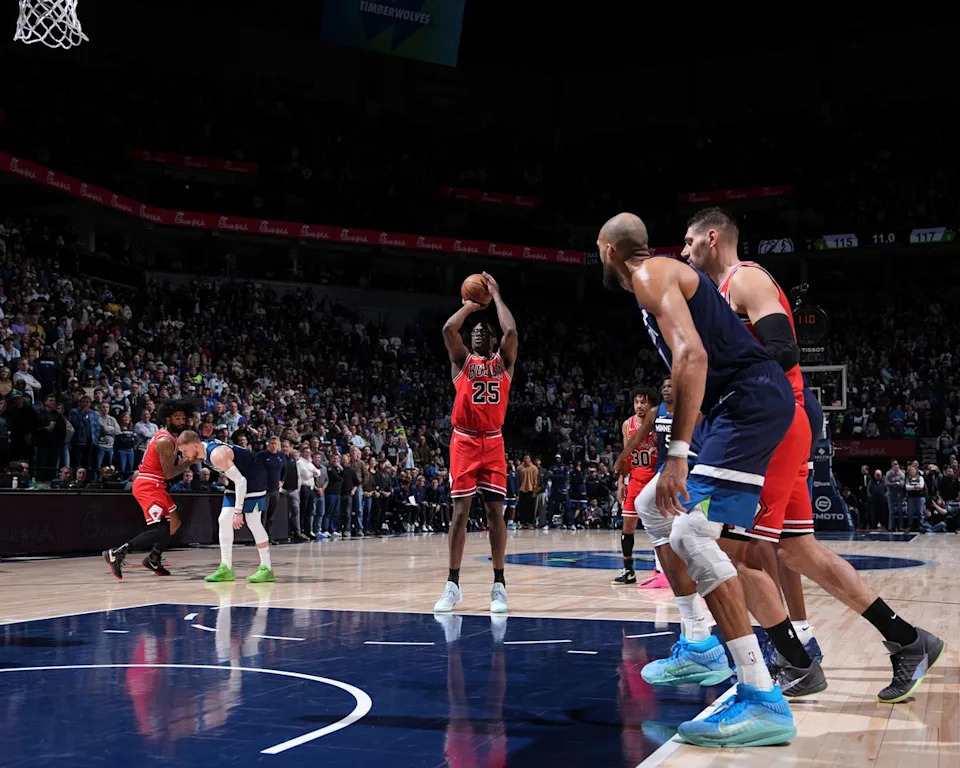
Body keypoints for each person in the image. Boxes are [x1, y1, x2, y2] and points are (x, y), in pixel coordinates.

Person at [687, 206, 943, 703]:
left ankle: (796, 662)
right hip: (780, 422)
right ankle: (909, 642)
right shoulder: (722, 295)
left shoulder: (745, 278)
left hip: (773, 424)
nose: (683, 251)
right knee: (797, 549)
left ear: (712, 238)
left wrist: (717, 373)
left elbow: (783, 347)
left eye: (688, 241)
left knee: (725, 549)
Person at [599, 212, 796, 747]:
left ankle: (761, 697)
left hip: (746, 399)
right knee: (653, 505)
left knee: (690, 534)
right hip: (734, 404)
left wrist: (680, 453)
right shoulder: (660, 277)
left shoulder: (648, 276)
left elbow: (693, 354)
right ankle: (699, 643)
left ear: (609, 250)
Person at [433, 271, 517, 615]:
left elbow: (511, 330)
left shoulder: (503, 363)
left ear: (494, 342)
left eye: (486, 330)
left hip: (493, 443)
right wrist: (469, 306)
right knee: (460, 514)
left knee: (496, 513)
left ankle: (499, 585)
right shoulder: (461, 362)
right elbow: (447, 330)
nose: (479, 331)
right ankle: (452, 584)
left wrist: (495, 296)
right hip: (464, 442)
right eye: (475, 330)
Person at [102, 399, 195, 579]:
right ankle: (117, 552)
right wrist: (189, 462)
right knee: (161, 528)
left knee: (174, 524)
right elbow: (169, 473)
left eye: (184, 418)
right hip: (148, 485)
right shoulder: (165, 441)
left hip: (157, 484)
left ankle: (153, 558)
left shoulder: (170, 437)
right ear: (168, 418)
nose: (182, 422)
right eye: (177, 418)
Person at [176, 430, 274, 583]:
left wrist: (238, 512)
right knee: (223, 519)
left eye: (185, 451)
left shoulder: (216, 455)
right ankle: (226, 568)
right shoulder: (204, 452)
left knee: (253, 521)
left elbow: (242, 482)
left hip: (254, 477)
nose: (185, 456)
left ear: (195, 445)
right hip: (238, 479)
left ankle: (267, 569)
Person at [611, 387, 658, 585]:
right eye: (636, 402)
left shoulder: (658, 423)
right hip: (636, 480)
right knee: (627, 526)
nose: (639, 406)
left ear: (651, 405)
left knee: (660, 528)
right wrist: (621, 482)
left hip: (655, 479)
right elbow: (626, 456)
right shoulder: (627, 425)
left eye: (643, 402)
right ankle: (628, 569)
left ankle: (663, 569)